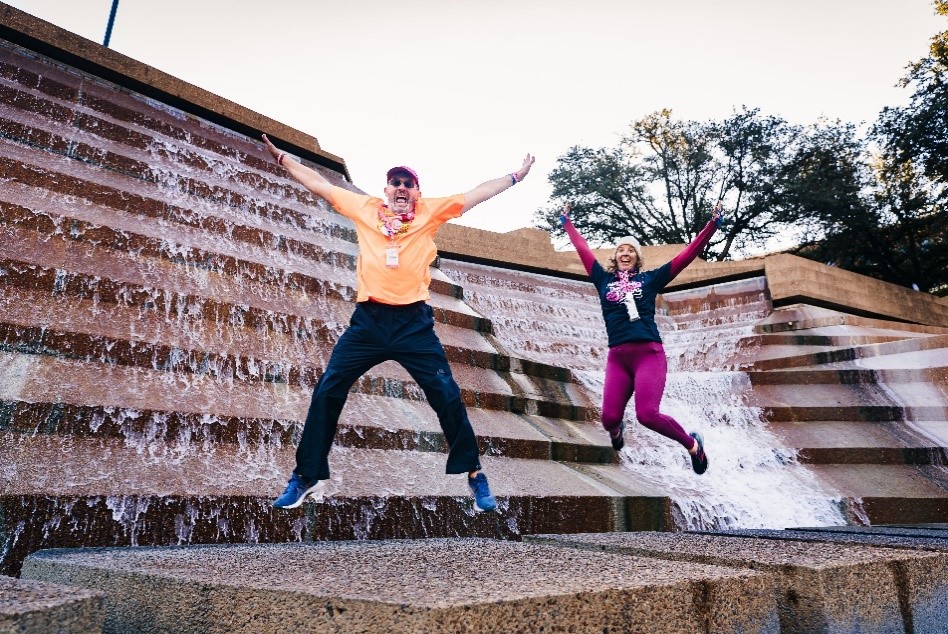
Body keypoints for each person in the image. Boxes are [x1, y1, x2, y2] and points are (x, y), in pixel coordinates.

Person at [262, 133, 534, 511]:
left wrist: (515, 176)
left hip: (413, 325)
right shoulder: (364, 208)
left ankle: (474, 474)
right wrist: (283, 159)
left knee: (446, 395)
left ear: (417, 192)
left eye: (408, 183)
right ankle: (306, 475)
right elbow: (319, 184)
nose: (401, 188)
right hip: (368, 323)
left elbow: (478, 193)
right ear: (386, 189)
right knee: (327, 390)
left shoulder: (430, 213)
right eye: (396, 182)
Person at [560, 202, 724, 474]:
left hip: (648, 354)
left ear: (637, 257)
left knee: (647, 415)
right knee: (609, 419)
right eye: (621, 250)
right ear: (615, 256)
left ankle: (693, 446)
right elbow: (583, 249)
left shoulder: (650, 279)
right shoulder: (603, 279)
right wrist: (567, 222)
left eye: (631, 250)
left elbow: (685, 256)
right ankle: (617, 432)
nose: (625, 253)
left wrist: (712, 226)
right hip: (618, 358)